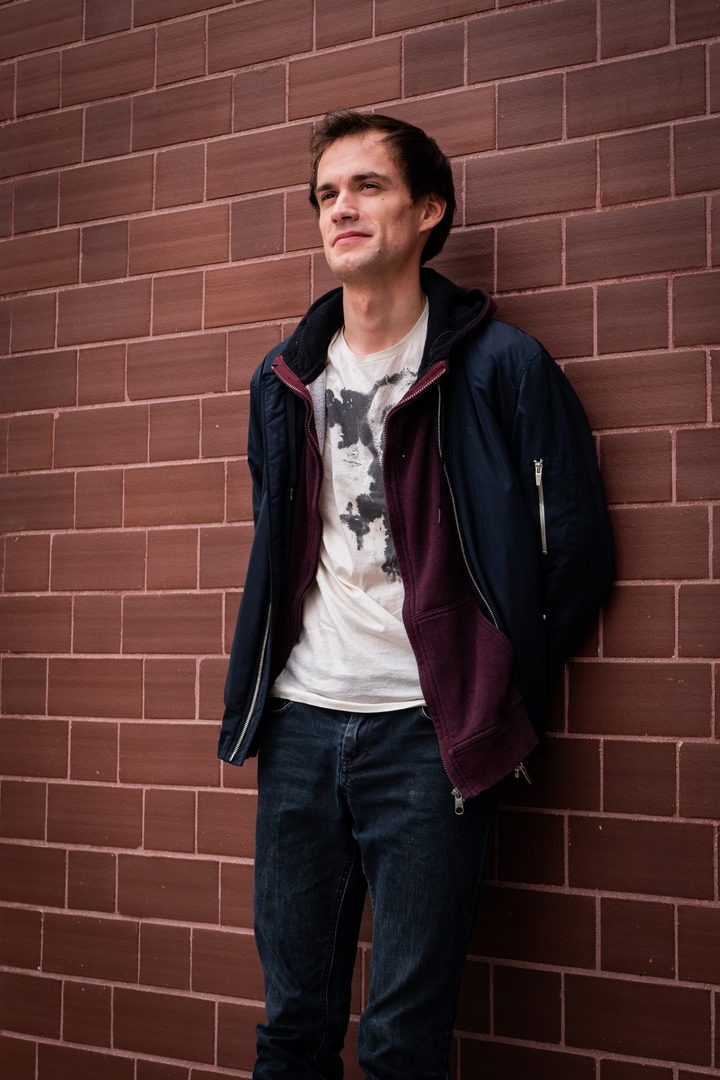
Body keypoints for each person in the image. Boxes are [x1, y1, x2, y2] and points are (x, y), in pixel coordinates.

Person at [218, 110, 614, 1080]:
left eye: (367, 186)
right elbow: (281, 540)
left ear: (429, 209)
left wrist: (491, 678)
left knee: (402, 1044)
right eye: (326, 193)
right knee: (292, 1029)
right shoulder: (284, 380)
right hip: (301, 724)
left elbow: (576, 552)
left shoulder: (502, 367)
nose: (340, 208)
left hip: (431, 735)